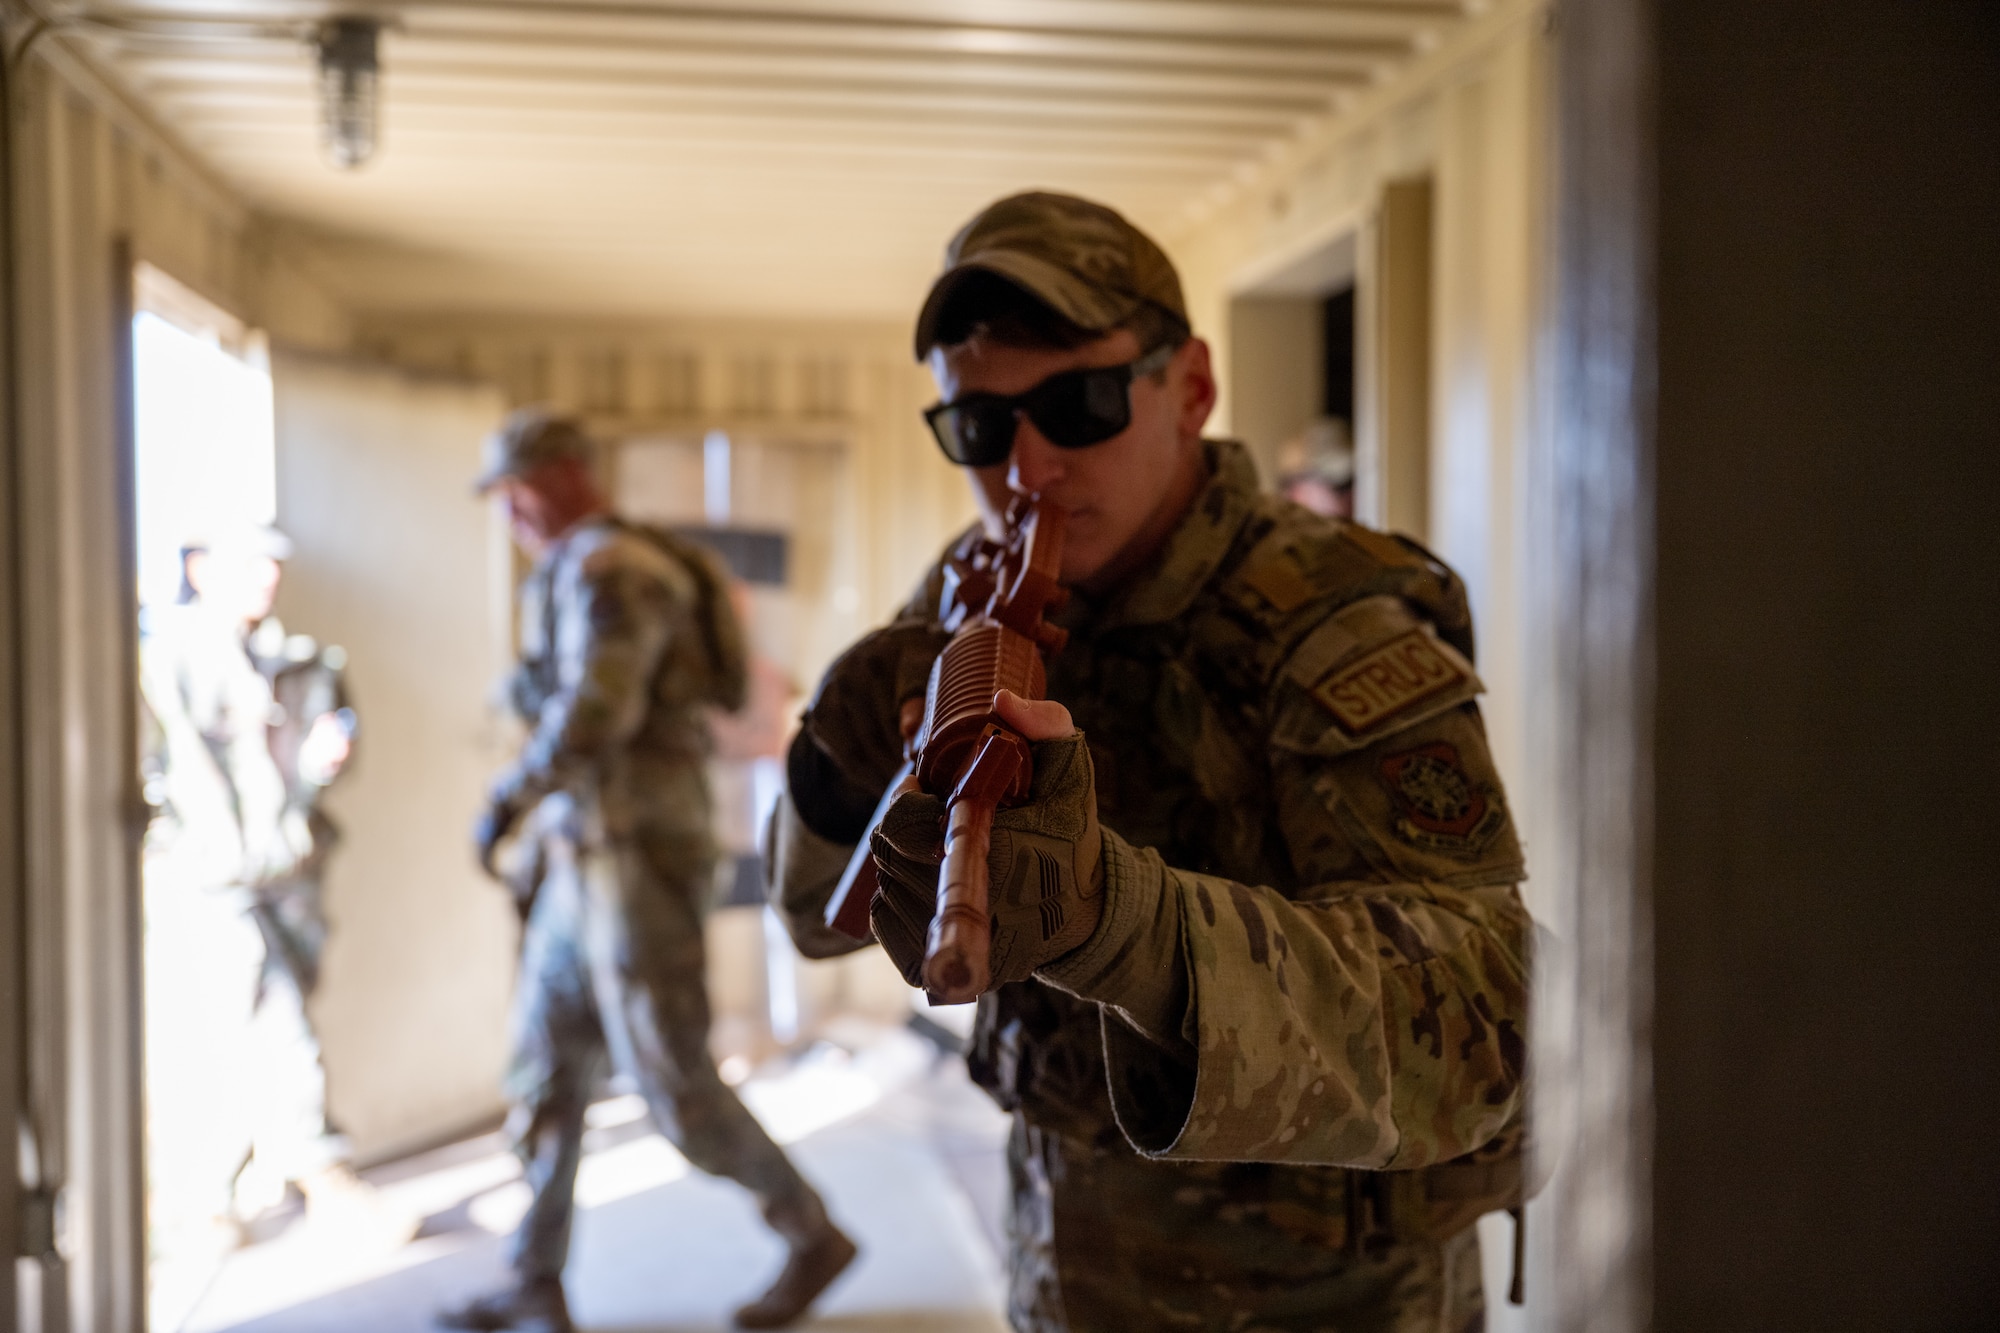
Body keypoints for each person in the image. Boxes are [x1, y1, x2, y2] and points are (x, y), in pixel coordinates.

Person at [769, 192, 1534, 1332]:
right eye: (976, 426)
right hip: (1065, 1260)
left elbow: (1491, 1024)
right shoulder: (970, 590)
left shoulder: (1327, 619)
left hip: (1320, 1296)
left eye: (1075, 403)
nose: (1025, 464)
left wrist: (1124, 931)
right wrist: (839, 764)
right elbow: (818, 917)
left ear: (1191, 388)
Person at [445, 412, 856, 1333]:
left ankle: (810, 1230)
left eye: (514, 491)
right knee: (544, 1069)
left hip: (636, 856)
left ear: (554, 477)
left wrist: (503, 797)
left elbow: (596, 711)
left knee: (674, 1081)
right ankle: (535, 1276)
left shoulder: (617, 571)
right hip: (582, 853)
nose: (509, 513)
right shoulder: (587, 567)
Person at [139, 526, 394, 1259]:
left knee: (251, 1025)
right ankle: (315, 1174)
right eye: (247, 561)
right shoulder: (165, 658)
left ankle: (214, 1195)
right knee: (264, 1022)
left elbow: (313, 772)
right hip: (206, 881)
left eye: (272, 562)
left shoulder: (294, 659)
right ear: (198, 567)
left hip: (284, 877)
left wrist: (319, 764)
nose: (265, 576)